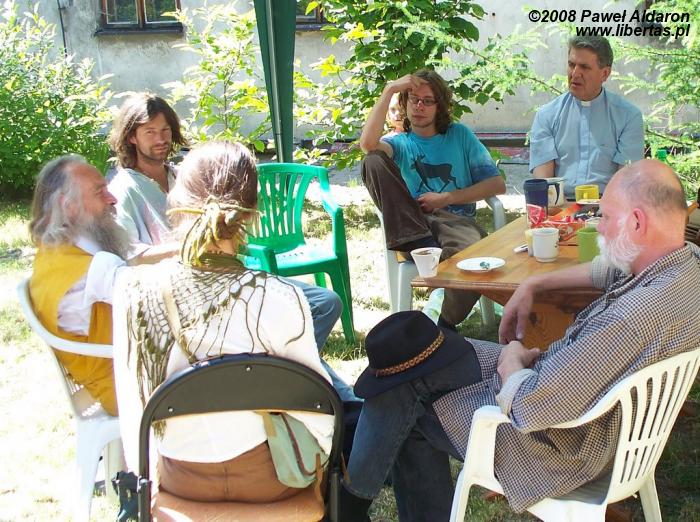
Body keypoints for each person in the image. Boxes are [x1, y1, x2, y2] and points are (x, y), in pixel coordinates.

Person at [341, 159, 700, 520]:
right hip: (583, 411)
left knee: (405, 393)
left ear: (637, 222)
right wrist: (534, 283)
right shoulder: (685, 265)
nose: (598, 229)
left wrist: (511, 360)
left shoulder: (628, 321)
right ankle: (347, 503)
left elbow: (528, 408)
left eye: (605, 218)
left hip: (557, 450)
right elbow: (607, 269)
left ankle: (346, 506)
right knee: (414, 355)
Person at [112, 141, 335, 504]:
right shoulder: (278, 296)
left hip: (178, 479)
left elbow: (132, 400)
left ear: (176, 200)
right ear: (251, 212)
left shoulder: (133, 290)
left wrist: (146, 481)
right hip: (271, 481)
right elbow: (317, 408)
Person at [107, 93, 357, 401]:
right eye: (150, 132)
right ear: (131, 136)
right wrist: (190, 242)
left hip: (226, 275)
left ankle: (288, 374)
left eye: (165, 130)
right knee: (291, 340)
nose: (160, 139)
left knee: (324, 303)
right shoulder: (124, 190)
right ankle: (307, 386)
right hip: (186, 294)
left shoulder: (181, 176)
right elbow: (131, 257)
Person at [360, 69, 506, 330]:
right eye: (414, 99)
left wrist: (446, 198)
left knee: (473, 258)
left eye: (428, 101)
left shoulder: (459, 135)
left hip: (455, 220)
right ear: (404, 103)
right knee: (372, 160)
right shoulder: (400, 142)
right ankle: (417, 240)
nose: (419, 106)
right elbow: (367, 144)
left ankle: (441, 326)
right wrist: (390, 89)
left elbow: (497, 184)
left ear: (440, 106)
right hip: (412, 220)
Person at [28, 155, 130, 416]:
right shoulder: (92, 267)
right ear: (69, 206)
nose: (113, 199)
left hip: (114, 376)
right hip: (126, 386)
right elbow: (157, 299)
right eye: (100, 191)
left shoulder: (56, 252)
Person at [529, 36, 644, 199]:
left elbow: (626, 183)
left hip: (608, 205)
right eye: (571, 65)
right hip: (560, 204)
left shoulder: (628, 117)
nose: (575, 73)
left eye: (584, 67)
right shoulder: (547, 115)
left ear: (605, 73)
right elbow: (544, 184)